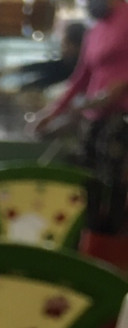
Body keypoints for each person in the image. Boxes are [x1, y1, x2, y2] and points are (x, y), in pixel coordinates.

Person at [34, 0, 128, 234]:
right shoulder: (95, 31)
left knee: (114, 189)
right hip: (94, 119)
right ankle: (88, 244)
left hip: (121, 119)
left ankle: (111, 247)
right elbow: (80, 78)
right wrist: (51, 113)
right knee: (88, 187)